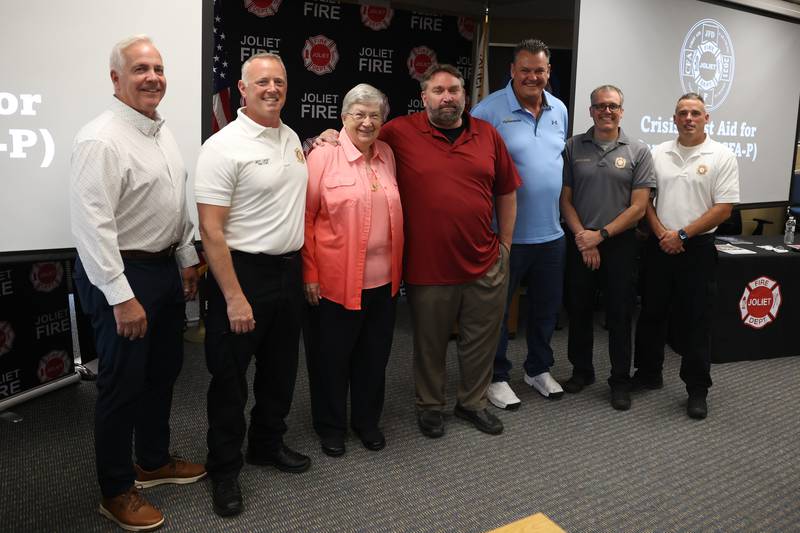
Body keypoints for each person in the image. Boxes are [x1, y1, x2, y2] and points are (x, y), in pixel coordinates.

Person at [320, 65, 521, 437]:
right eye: (439, 90)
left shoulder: (488, 135)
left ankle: (472, 403)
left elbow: (507, 191)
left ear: (465, 95)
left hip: (484, 260)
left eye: (455, 90)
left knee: (481, 341)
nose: (448, 97)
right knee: (429, 344)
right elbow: (359, 136)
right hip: (428, 265)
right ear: (424, 96)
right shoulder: (398, 132)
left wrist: (505, 246)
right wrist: (330, 135)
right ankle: (430, 406)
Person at [70, 35, 205, 532]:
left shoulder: (158, 131)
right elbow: (92, 226)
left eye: (158, 68)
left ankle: (151, 461)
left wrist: (188, 259)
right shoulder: (100, 139)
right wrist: (121, 296)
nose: (153, 77)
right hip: (121, 275)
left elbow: (173, 204)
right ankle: (115, 489)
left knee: (162, 372)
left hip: (164, 270)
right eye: (140, 69)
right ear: (115, 79)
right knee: (121, 386)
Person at [195, 52, 309, 517]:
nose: (272, 89)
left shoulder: (292, 139)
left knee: (280, 371)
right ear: (242, 89)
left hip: (288, 270)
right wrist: (234, 296)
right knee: (229, 380)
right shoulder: (222, 147)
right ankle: (224, 469)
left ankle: (266, 444)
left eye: (279, 82)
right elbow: (211, 231)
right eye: (261, 82)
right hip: (241, 274)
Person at [302, 83, 403, 458]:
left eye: (374, 115)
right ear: (343, 118)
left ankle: (366, 421)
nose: (366, 122)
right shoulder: (322, 156)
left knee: (374, 356)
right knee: (331, 359)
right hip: (333, 282)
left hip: (383, 282)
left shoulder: (387, 154)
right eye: (358, 114)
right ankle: (330, 427)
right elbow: (306, 218)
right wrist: (309, 273)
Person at [471, 39, 568, 409]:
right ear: (512, 70)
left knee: (546, 309)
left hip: (552, 234)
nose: (532, 76)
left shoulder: (559, 109)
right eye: (525, 70)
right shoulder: (488, 111)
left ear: (548, 72)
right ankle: (495, 377)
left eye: (539, 70)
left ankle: (538, 369)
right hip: (505, 236)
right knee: (495, 313)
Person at [633, 93, 739, 419]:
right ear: (674, 118)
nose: (689, 118)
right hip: (659, 243)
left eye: (695, 113)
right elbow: (645, 201)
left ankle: (696, 389)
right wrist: (662, 233)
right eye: (682, 113)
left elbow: (723, 208)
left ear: (707, 118)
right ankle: (648, 373)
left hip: (697, 248)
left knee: (696, 319)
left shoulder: (722, 155)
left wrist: (682, 234)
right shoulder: (657, 153)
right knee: (651, 312)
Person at [559, 85, 655, 410]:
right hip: (580, 241)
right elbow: (565, 199)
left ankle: (619, 380)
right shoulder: (573, 147)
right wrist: (583, 237)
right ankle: (582, 371)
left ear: (621, 111)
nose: (607, 111)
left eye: (613, 106)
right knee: (579, 310)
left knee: (619, 314)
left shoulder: (638, 150)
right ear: (591, 111)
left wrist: (600, 235)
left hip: (619, 244)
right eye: (600, 106)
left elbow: (639, 208)